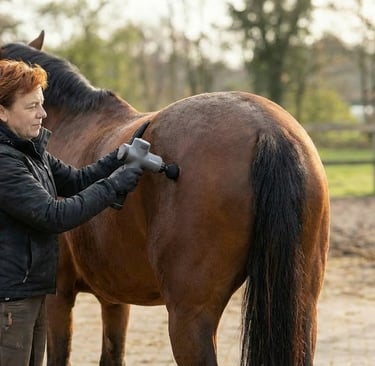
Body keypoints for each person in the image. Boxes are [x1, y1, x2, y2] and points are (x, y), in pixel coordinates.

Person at [0, 59, 143, 366]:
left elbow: (76, 179)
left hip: (32, 291)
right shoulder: (5, 163)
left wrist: (116, 158)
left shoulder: (30, 150)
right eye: (32, 107)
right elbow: (55, 215)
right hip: (10, 301)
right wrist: (115, 186)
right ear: (2, 112)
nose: (43, 114)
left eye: (42, 104)